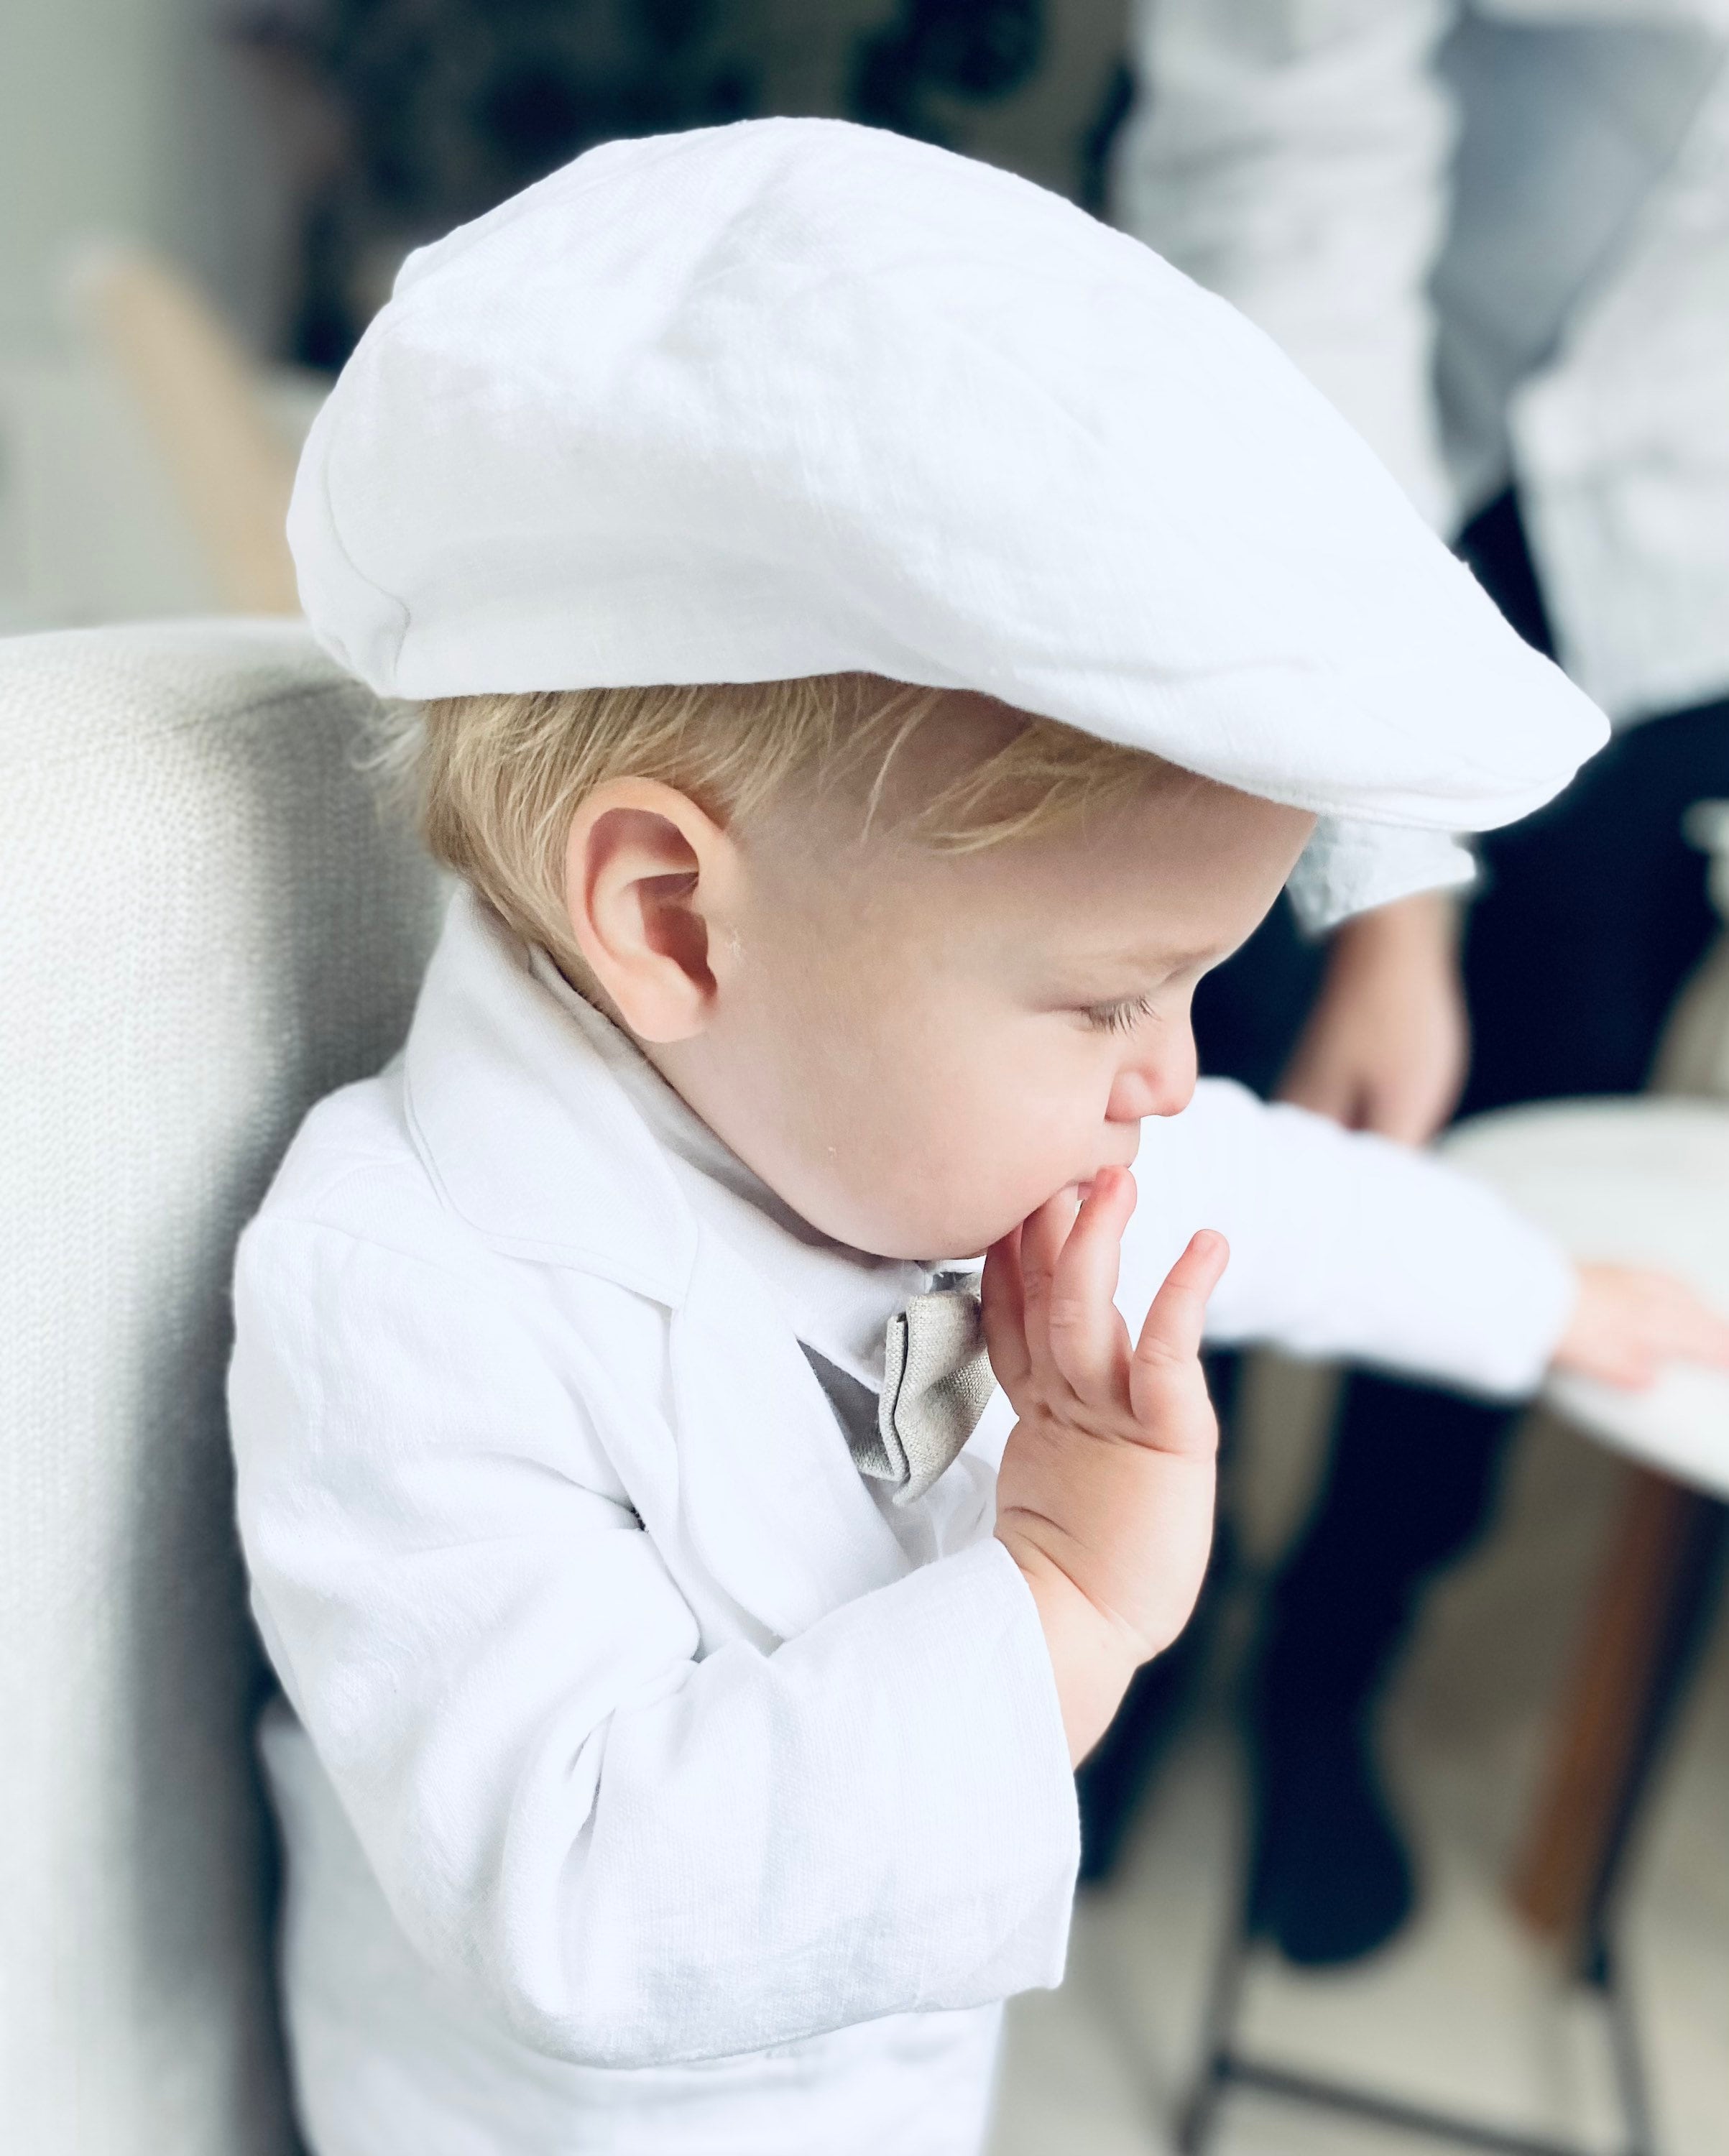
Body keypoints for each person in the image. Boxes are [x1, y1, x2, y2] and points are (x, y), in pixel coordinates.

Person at [226, 120, 1729, 2155]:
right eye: (1116, 998)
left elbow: (1254, 1189)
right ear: (670, 921)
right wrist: (1059, 1611)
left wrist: (1539, 1298)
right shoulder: (412, 1286)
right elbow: (571, 1895)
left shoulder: (918, 1110)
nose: (1172, 1074)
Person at [1112, 0, 1729, 1963]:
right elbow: (1287, 176)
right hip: (1314, 436)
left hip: (1669, 607)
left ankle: (1334, 1681)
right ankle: (1111, 1623)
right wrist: (1390, 889)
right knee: (1154, 1108)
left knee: (1519, 1126)